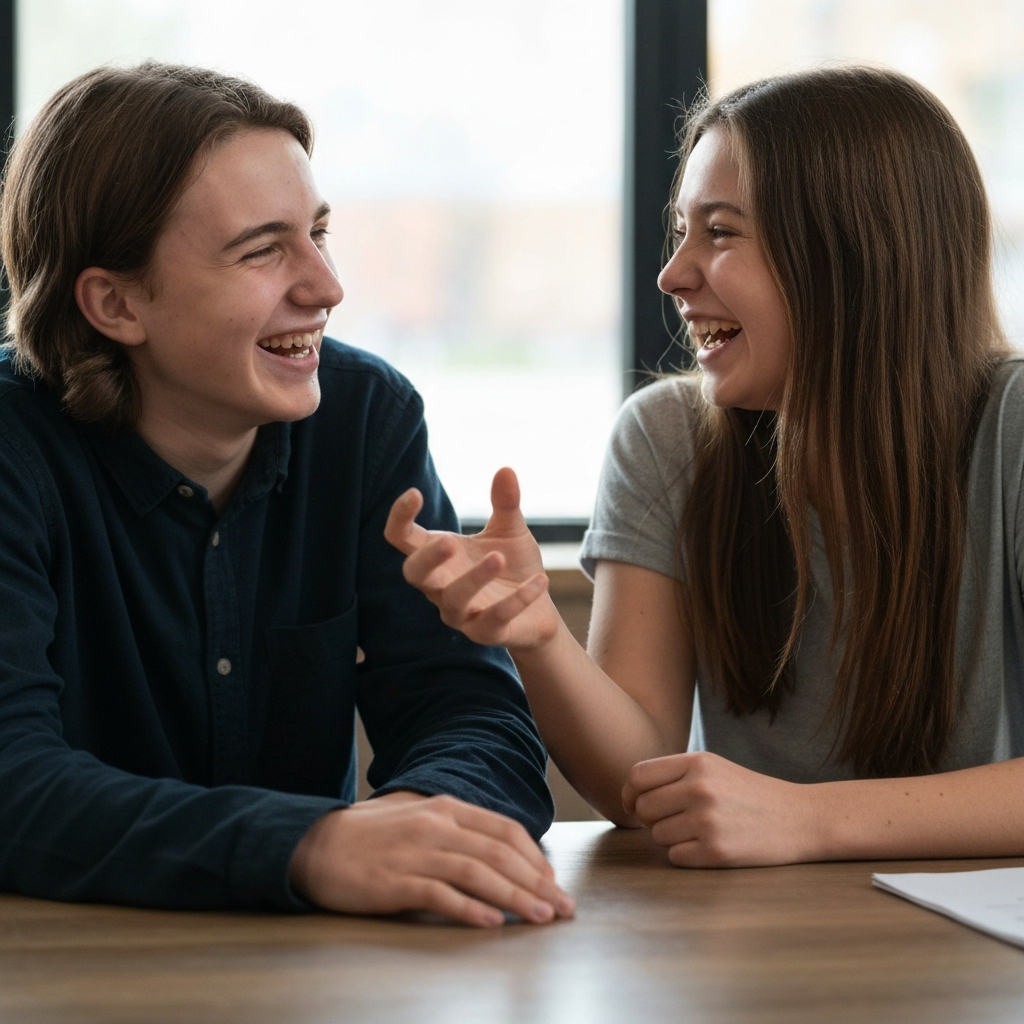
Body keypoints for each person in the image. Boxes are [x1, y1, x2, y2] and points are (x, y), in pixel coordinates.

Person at [387, 65, 1024, 867]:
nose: (673, 274)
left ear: (853, 256)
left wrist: (809, 821)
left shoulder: (1013, 427)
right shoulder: (667, 437)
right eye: (681, 230)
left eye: (720, 233)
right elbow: (638, 786)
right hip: (746, 940)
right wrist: (538, 633)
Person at [0, 62, 575, 928]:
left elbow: (469, 713)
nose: (326, 286)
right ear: (114, 303)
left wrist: (423, 823)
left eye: (319, 232)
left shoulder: (368, 418)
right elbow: (13, 782)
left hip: (311, 966)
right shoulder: (14, 451)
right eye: (264, 249)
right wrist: (308, 846)